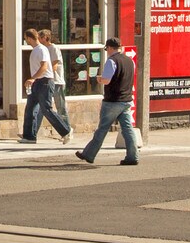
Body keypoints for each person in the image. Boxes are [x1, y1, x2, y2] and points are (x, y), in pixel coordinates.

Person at [75, 37, 139, 166]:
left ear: (110, 48)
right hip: (126, 100)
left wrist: (100, 79)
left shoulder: (111, 61)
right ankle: (133, 156)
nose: (107, 52)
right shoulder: (129, 60)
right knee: (128, 129)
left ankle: (89, 154)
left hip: (113, 101)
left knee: (102, 129)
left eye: (106, 49)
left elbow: (107, 80)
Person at [20, 29, 70, 143]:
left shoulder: (41, 49)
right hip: (37, 82)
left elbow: (44, 66)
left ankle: (66, 131)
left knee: (46, 109)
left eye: (25, 38)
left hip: (45, 82)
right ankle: (29, 136)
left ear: (29, 38)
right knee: (30, 108)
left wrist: (33, 78)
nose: (25, 41)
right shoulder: (36, 50)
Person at [39, 28, 73, 139]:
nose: (38, 40)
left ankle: (67, 129)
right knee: (42, 106)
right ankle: (32, 132)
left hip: (56, 81)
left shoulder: (53, 48)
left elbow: (54, 65)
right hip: (47, 80)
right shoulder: (42, 49)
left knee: (60, 107)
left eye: (40, 37)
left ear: (45, 38)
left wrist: (45, 73)